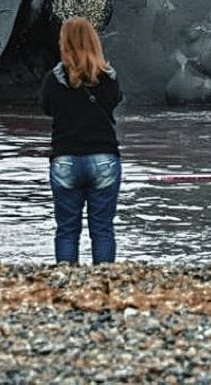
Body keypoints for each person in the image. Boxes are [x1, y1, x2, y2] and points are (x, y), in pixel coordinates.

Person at [40, 16, 123, 264]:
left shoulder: (53, 80)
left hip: (65, 157)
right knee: (103, 229)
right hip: (104, 157)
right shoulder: (108, 77)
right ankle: (104, 280)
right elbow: (115, 101)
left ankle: (68, 279)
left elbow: (47, 109)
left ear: (63, 43)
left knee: (67, 229)